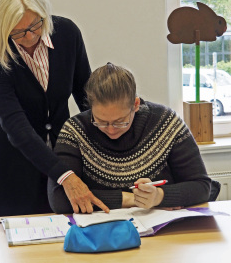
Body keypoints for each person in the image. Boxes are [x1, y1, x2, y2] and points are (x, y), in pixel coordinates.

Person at [0, 0, 109, 216]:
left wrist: (110, 144)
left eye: (35, 25)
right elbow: (16, 126)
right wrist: (64, 175)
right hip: (11, 162)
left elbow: (86, 98)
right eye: (17, 32)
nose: (29, 38)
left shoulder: (67, 34)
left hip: (62, 152)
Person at [47, 62, 212, 213]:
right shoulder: (75, 131)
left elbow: (201, 187)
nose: (111, 130)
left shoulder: (166, 122)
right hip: (101, 235)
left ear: (136, 105)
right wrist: (131, 199)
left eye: (120, 122)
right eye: (101, 122)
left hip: (162, 232)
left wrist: (158, 196)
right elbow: (59, 199)